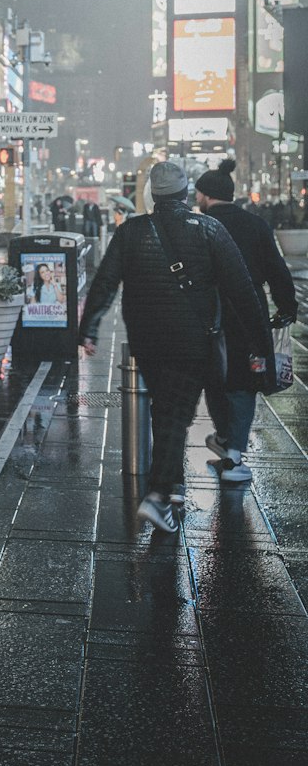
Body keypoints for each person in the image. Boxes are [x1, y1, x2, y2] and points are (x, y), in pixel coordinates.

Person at [79, 157, 270, 534]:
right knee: (175, 415)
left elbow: (104, 282)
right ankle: (158, 496)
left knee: (166, 410)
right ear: (186, 194)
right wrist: (260, 344)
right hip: (194, 340)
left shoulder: (131, 231)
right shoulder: (209, 229)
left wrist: (88, 328)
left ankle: (173, 490)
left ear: (152, 194)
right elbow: (242, 291)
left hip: (146, 340)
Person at [195, 158, 298, 483]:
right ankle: (233, 453)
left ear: (205, 195)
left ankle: (226, 441)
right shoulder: (255, 226)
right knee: (243, 385)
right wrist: (286, 307)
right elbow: (278, 273)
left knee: (215, 380)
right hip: (247, 316)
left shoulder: (200, 227)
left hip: (208, 315)